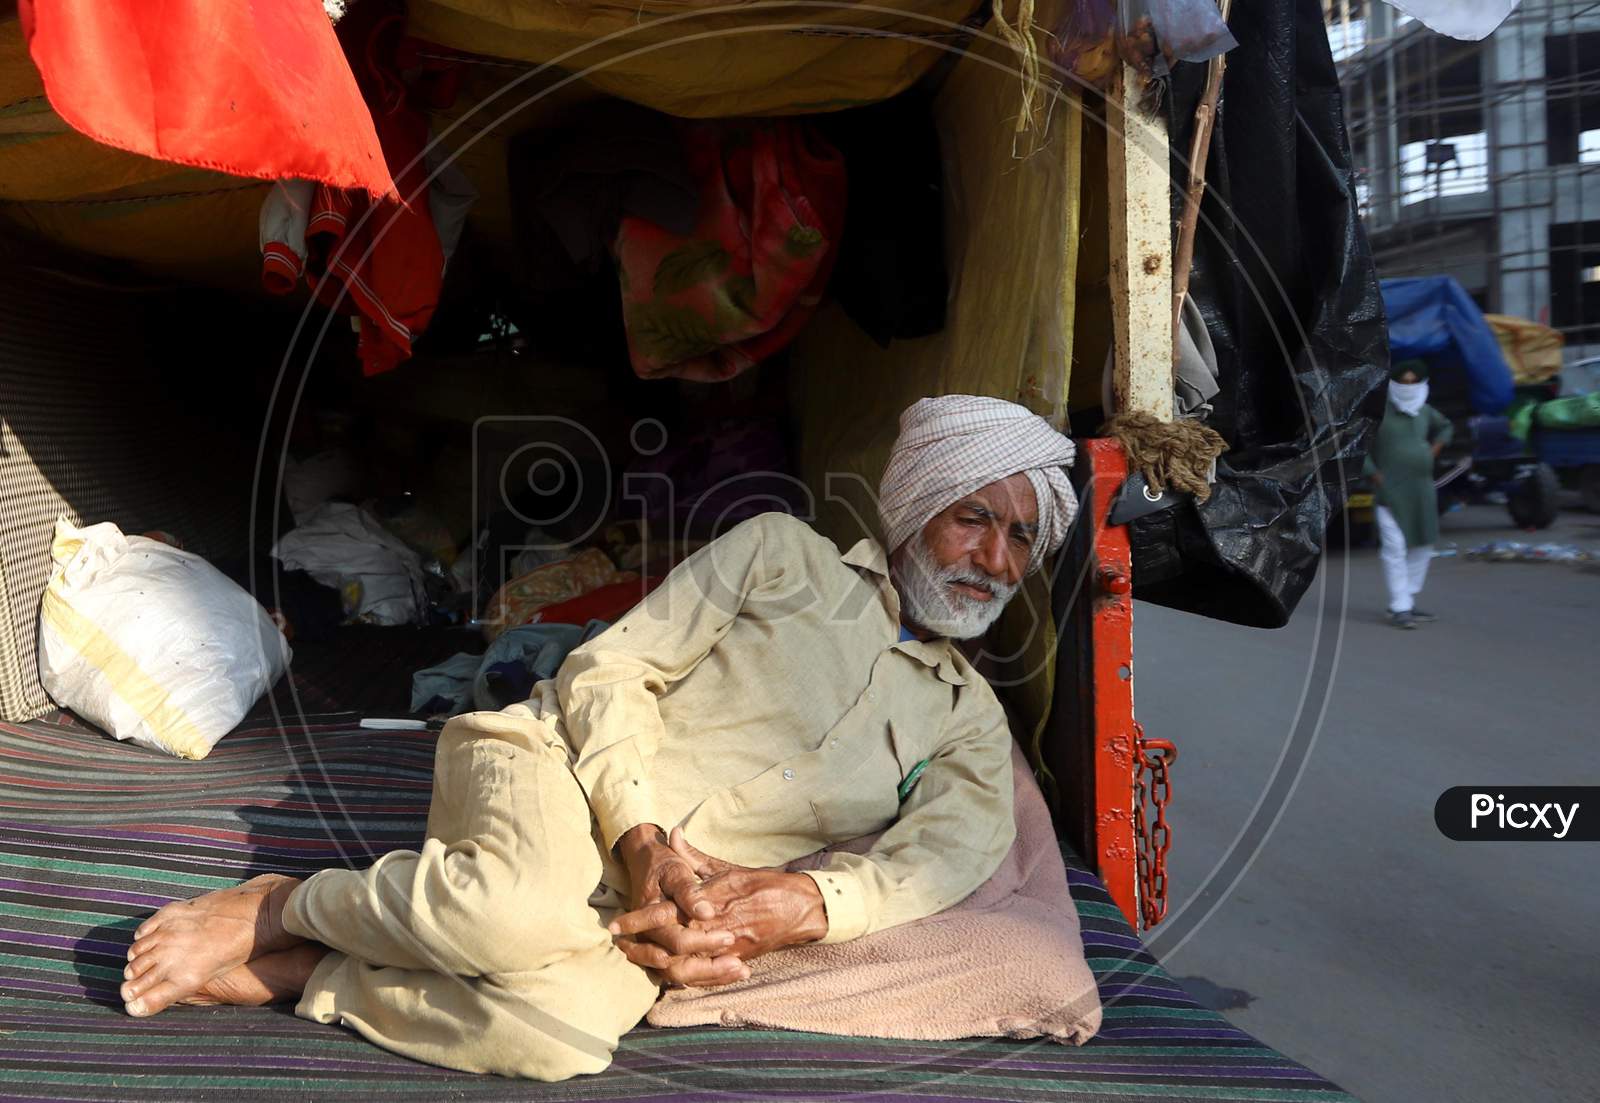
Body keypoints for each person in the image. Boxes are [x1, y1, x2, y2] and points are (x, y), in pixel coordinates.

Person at [115, 395, 1079, 1081]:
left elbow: (940, 859)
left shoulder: (971, 725)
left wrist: (800, 904)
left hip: (671, 895)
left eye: (1021, 538)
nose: (995, 558)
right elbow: (609, 669)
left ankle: (314, 972)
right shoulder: (782, 552)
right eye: (973, 519)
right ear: (917, 511)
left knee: (561, 1037)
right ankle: (292, 903)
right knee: (507, 915)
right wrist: (639, 831)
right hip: (557, 767)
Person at [1364, 359, 1453, 629]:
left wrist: (1434, 449)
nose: (1409, 387)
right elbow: (1359, 446)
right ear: (1394, 383)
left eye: (1414, 382)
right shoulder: (1379, 413)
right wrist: (1374, 473)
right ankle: (1400, 606)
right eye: (1404, 382)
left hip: (1422, 489)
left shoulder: (1424, 412)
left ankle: (1407, 599)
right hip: (1390, 491)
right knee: (1395, 548)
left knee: (1423, 545)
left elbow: (1446, 427)